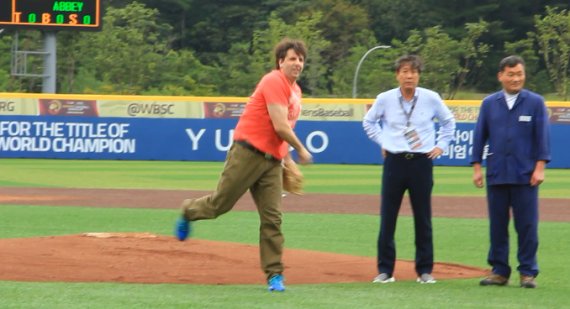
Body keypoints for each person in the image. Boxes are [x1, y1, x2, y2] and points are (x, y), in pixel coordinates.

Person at [174, 38, 313, 292]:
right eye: (292, 58)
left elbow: (286, 130)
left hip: (272, 162)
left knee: (272, 218)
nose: (298, 63)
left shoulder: (297, 92)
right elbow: (279, 125)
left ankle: (274, 274)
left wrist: (288, 159)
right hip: (247, 153)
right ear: (280, 61)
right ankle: (188, 210)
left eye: (301, 59)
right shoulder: (273, 81)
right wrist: (302, 149)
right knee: (220, 205)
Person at [363, 54, 456, 284]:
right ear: (397, 75)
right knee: (388, 217)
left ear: (418, 75)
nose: (409, 76)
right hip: (395, 161)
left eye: (413, 72)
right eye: (404, 71)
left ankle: (424, 271)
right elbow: (368, 121)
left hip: (421, 162)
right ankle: (385, 270)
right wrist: (383, 141)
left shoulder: (430, 98)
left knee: (423, 217)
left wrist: (441, 146)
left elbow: (448, 121)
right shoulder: (385, 99)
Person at [471, 55, 550, 289]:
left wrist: (540, 167)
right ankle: (499, 271)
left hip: (525, 175)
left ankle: (527, 272)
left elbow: (542, 138)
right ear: (501, 76)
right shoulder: (489, 103)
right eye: (511, 74)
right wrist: (477, 167)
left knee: (527, 225)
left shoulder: (535, 102)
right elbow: (479, 136)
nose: (516, 79)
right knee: (497, 225)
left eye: (519, 74)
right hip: (496, 173)